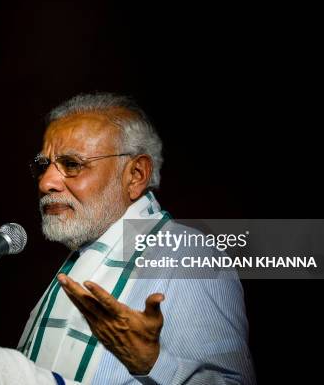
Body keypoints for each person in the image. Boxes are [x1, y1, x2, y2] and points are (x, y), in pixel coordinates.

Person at [17, 93, 255, 384]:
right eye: (44, 166)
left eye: (72, 164)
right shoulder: (84, 254)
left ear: (136, 175)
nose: (46, 182)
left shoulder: (185, 254)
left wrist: (152, 363)